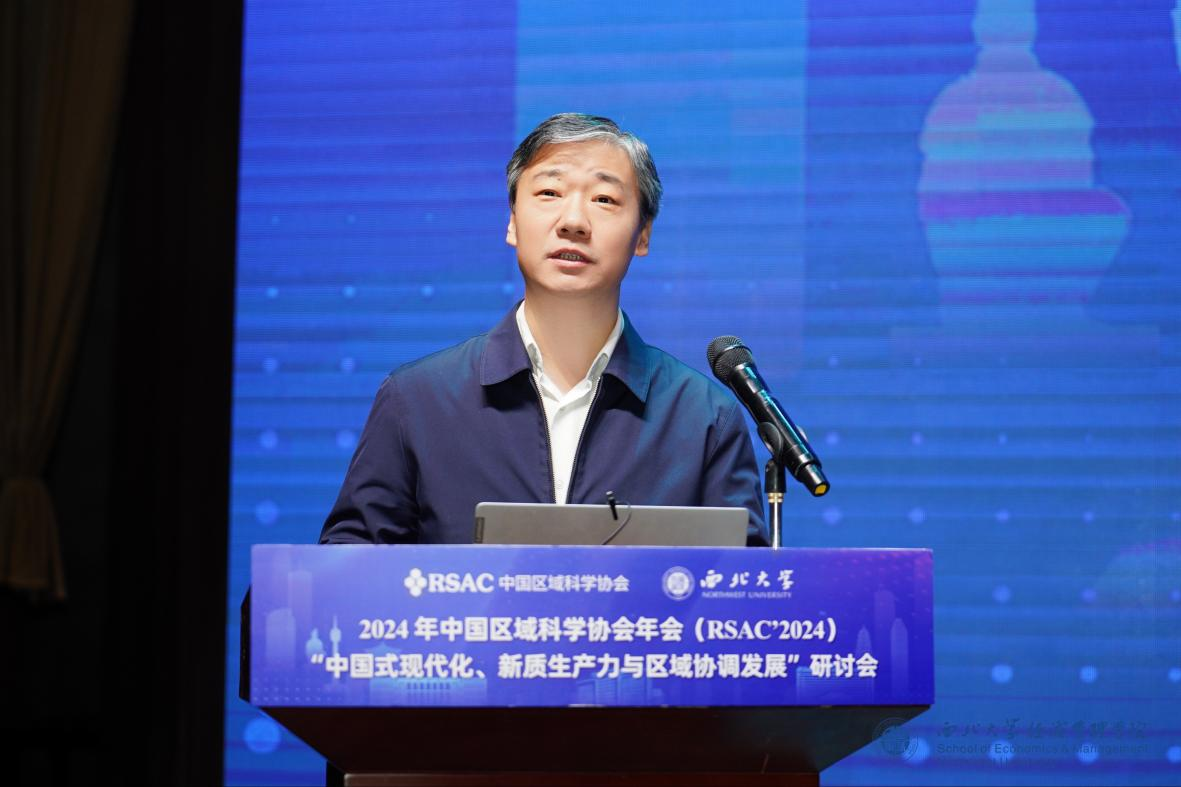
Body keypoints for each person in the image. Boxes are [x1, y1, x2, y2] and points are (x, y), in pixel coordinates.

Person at [319, 113, 767, 545]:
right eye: (550, 192)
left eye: (604, 200)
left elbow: (744, 587)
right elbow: (348, 571)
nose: (573, 222)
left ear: (643, 234)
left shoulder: (703, 418)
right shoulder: (418, 400)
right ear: (513, 221)